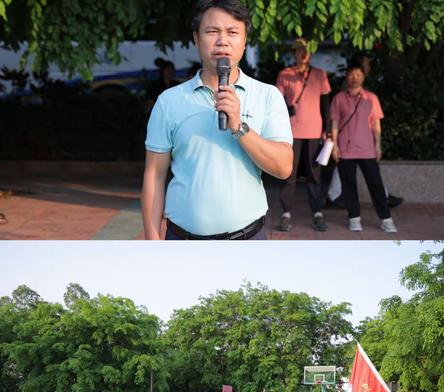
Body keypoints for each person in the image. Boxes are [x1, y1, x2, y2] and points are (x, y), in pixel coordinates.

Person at [142, 0, 293, 241]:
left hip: (248, 241)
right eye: (212, 31)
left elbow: (283, 167)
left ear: (244, 42)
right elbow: (154, 175)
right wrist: (152, 240)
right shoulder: (169, 101)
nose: (222, 41)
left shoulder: (267, 96)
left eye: (233, 32)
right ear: (196, 38)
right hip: (182, 242)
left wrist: (239, 127)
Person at [331, 63, 397, 233]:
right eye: (352, 74)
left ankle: (386, 219)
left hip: (367, 149)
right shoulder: (339, 98)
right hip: (345, 149)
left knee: (376, 184)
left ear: (363, 77)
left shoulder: (371, 98)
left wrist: (378, 144)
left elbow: (376, 123)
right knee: (349, 185)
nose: (355, 78)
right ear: (347, 76)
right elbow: (335, 124)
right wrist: (335, 147)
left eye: (358, 75)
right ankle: (354, 218)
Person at [276, 38, 333, 232]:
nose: (303, 53)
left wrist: (328, 130)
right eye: (299, 50)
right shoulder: (285, 74)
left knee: (314, 175)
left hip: (314, 131)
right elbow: (276, 102)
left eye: (306, 50)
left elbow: (326, 104)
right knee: (288, 175)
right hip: (290, 132)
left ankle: (317, 213)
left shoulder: (319, 74)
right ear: (293, 52)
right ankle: (285, 214)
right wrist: (287, 107)